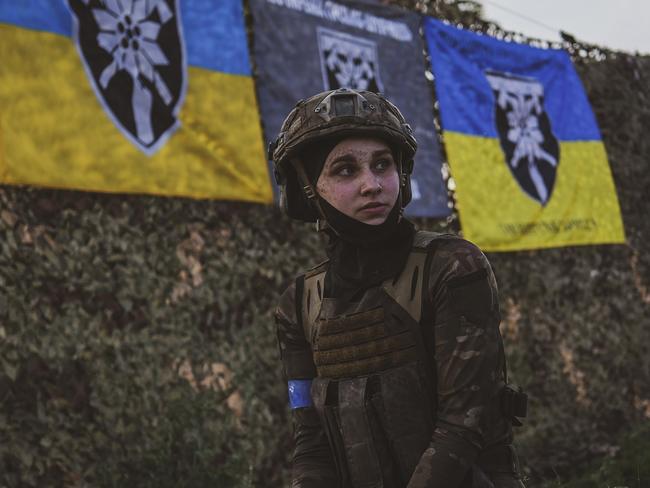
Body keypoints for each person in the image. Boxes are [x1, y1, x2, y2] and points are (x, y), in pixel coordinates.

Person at [271, 88, 527, 488]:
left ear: (401, 176)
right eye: (344, 170)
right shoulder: (299, 303)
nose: (372, 184)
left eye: (382, 165)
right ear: (308, 189)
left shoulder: (452, 267)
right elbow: (310, 437)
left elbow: (463, 423)